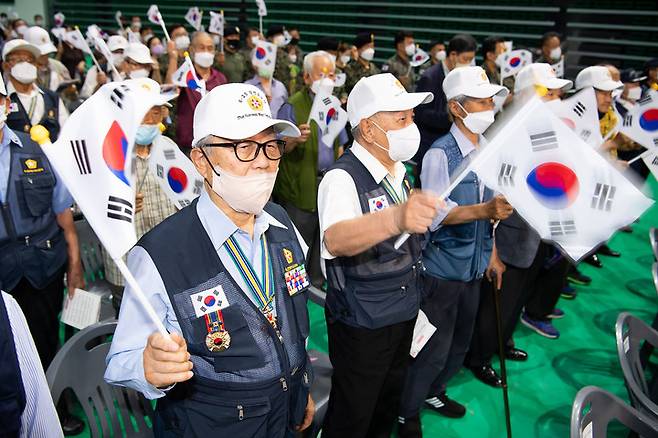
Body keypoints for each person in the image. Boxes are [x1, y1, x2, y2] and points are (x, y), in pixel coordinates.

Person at [105, 82, 315, 436]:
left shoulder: (282, 223)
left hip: (286, 410)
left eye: (270, 146)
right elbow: (120, 361)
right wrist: (149, 367)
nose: (263, 162)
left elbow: (291, 318)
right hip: (214, 423)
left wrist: (300, 386)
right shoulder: (161, 253)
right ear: (201, 160)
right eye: (244, 147)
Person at [318, 72, 437, 438]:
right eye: (400, 118)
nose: (411, 125)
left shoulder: (399, 172)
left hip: (402, 311)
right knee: (354, 412)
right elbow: (335, 239)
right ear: (368, 130)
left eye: (411, 117)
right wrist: (397, 217)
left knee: (386, 402)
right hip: (363, 322)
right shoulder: (341, 179)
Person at [398, 66, 512, 435]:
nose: (489, 106)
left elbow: (490, 211)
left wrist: (492, 254)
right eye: (480, 100)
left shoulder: (486, 149)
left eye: (490, 100)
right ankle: (406, 411)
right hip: (443, 271)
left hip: (474, 268)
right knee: (431, 349)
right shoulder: (440, 154)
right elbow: (434, 215)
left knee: (458, 345)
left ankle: (434, 392)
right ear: (458, 108)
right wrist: (483, 211)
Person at [466, 63, 574, 385]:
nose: (556, 98)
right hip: (511, 235)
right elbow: (494, 190)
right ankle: (479, 357)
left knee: (517, 298)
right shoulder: (507, 129)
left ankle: (503, 342)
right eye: (549, 92)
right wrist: (492, 248)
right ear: (529, 94)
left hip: (535, 234)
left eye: (557, 93)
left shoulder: (548, 126)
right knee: (497, 304)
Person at [0, 73, 84, 435]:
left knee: (46, 342)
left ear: (5, 106)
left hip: (40, 269)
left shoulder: (40, 151)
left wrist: (75, 266)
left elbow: (65, 219)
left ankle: (55, 410)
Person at [102, 80, 177, 312]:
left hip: (168, 262)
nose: (151, 119)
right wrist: (117, 205)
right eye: (144, 112)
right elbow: (87, 205)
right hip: (127, 269)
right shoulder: (108, 153)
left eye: (157, 112)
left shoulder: (168, 148)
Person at [275, 51, 349, 287]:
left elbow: (340, 143)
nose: (326, 79)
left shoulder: (333, 105)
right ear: (307, 77)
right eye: (320, 74)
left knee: (322, 236)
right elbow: (277, 147)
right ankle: (294, 289)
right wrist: (295, 139)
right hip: (300, 187)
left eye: (331, 74)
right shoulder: (292, 106)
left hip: (327, 182)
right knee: (298, 241)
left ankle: (316, 283)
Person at [0, 290, 63, 438]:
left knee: (47, 343)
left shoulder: (6, 308)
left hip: (43, 280)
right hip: (10, 278)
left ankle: (63, 408)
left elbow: (40, 421)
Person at [414, 33, 477, 172]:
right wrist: (449, 116)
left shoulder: (462, 76)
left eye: (471, 60)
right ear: (453, 55)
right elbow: (420, 114)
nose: (469, 63)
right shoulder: (430, 77)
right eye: (466, 59)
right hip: (431, 144)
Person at [172, 31, 227, 152]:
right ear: (192, 49)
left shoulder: (220, 78)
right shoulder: (185, 76)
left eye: (210, 48)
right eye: (202, 48)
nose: (206, 52)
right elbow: (170, 90)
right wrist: (173, 58)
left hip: (213, 146)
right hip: (187, 146)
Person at [3, 39, 68, 140]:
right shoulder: (2, 99)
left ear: (36, 65)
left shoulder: (52, 98)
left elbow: (65, 133)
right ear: (6, 65)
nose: (26, 64)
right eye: (19, 60)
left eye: (30, 60)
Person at [616, 68, 649, 180]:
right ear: (622, 85)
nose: (638, 87)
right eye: (633, 83)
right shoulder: (615, 108)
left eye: (638, 83)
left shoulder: (643, 105)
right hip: (625, 160)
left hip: (643, 158)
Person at [23, 26, 71, 93]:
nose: (45, 55)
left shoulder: (58, 66)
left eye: (47, 52)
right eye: (41, 52)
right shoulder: (21, 69)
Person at [80, 34, 127, 98]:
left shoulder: (131, 72)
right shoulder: (96, 71)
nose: (120, 55)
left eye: (122, 52)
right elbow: (85, 96)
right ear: (107, 53)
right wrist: (99, 85)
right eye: (116, 52)